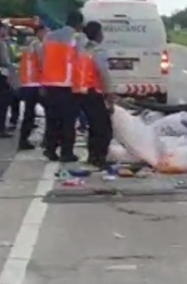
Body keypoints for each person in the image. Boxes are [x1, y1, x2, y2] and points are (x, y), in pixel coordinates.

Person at [41, 10, 83, 162]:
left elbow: (42, 59)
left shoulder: (49, 36)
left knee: (52, 119)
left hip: (49, 83)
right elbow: (82, 60)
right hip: (68, 84)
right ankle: (66, 152)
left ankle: (50, 149)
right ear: (79, 24)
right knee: (68, 121)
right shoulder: (78, 38)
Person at [73, 21, 115, 169]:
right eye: (101, 32)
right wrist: (110, 96)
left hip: (80, 91)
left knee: (94, 126)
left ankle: (93, 156)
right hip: (92, 92)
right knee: (105, 128)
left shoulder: (81, 50)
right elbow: (104, 74)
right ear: (97, 34)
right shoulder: (98, 51)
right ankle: (99, 158)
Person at [17, 24, 48, 150]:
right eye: (45, 32)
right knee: (50, 111)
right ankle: (47, 140)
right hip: (36, 83)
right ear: (39, 32)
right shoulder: (38, 45)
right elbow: (42, 64)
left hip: (27, 83)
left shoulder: (26, 46)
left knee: (29, 113)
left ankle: (23, 140)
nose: (46, 35)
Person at [0, 22, 13, 138]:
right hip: (1, 75)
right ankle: (1, 128)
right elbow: (5, 61)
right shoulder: (1, 43)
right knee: (3, 103)